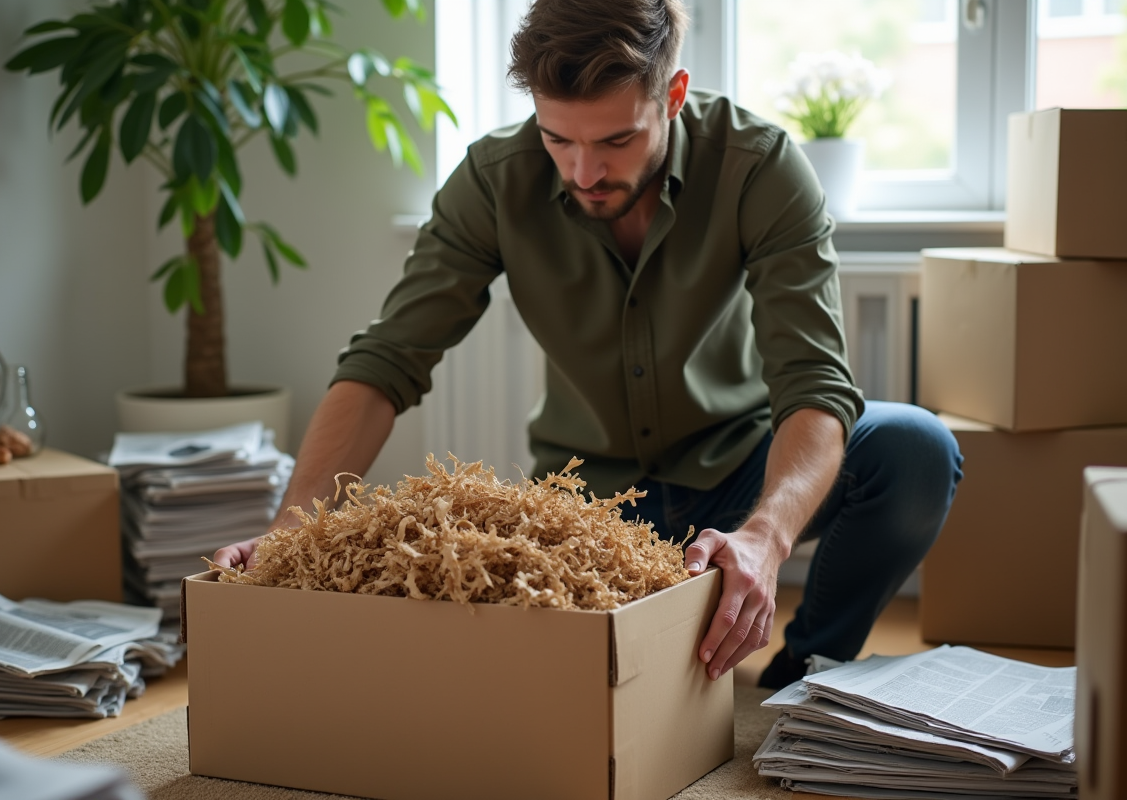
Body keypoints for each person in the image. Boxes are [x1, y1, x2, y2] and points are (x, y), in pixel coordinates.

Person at [215, 0, 962, 689]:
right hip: (588, 510)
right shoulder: (492, 180)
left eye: (617, 139)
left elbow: (813, 383)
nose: (584, 171)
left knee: (914, 448)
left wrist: (765, 537)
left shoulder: (758, 165)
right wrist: (293, 523)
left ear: (672, 96)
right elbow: (387, 359)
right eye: (557, 138)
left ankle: (806, 666)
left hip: (737, 471)